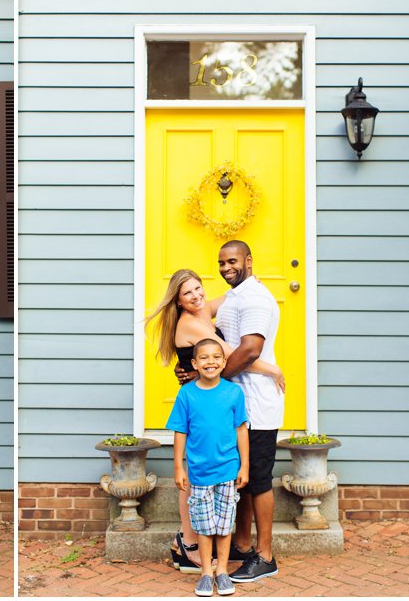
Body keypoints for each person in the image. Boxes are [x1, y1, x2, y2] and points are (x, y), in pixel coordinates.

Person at [144, 268, 284, 572]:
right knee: (195, 472)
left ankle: (189, 542)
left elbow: (224, 298)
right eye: (188, 293)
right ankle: (188, 543)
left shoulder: (202, 309)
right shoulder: (191, 324)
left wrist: (250, 284)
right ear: (178, 301)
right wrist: (272, 369)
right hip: (199, 401)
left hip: (209, 397)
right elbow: (231, 356)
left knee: (202, 467)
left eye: (198, 288)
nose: (196, 296)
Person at [210, 240, 283, 583]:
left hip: (257, 404)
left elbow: (251, 349)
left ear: (249, 261)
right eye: (222, 262)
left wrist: (212, 378)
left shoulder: (255, 297)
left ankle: (265, 555)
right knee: (240, 478)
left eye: (233, 261)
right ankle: (240, 543)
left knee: (258, 479)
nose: (226, 267)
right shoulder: (234, 297)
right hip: (237, 404)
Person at [166, 338, 249, 596]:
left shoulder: (233, 393)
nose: (210, 362)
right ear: (194, 363)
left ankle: (222, 572)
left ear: (224, 362)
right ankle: (205, 573)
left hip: (227, 470)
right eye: (204, 357)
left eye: (216, 357)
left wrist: (244, 465)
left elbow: (241, 430)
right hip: (199, 473)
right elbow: (180, 432)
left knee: (224, 525)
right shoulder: (187, 394)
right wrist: (179, 468)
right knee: (203, 525)